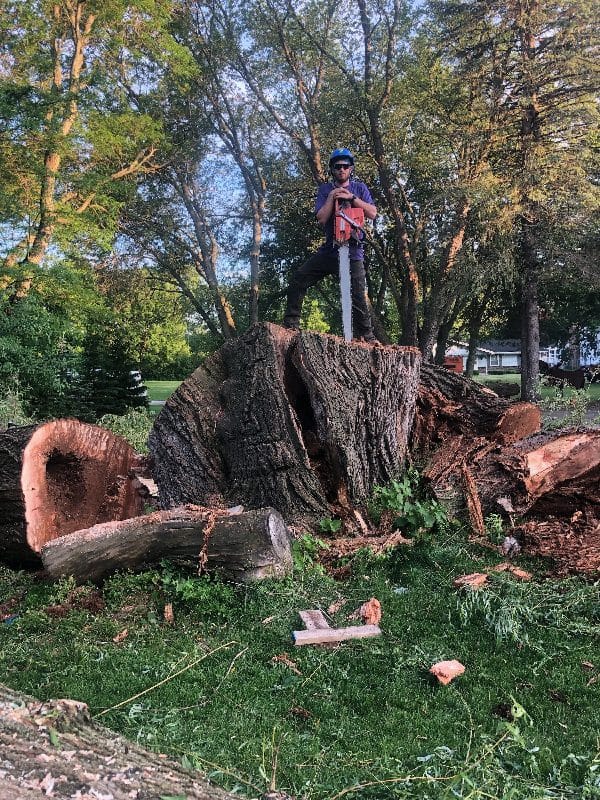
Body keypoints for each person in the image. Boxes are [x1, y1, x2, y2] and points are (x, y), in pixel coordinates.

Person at [282, 147, 378, 342]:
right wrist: (332, 196)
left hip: (353, 252)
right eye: (337, 167)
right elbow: (322, 218)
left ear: (351, 169)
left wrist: (351, 198)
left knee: (359, 296)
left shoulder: (360, 189)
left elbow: (372, 213)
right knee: (299, 278)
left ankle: (367, 337)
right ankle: (291, 325)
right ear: (332, 169)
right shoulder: (325, 190)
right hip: (330, 251)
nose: (341, 169)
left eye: (345, 166)